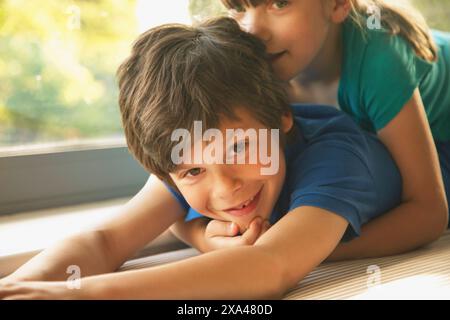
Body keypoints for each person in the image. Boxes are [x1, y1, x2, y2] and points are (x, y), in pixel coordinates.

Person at [1, 17, 408, 299]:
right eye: (193, 171)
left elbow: (269, 268)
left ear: (282, 117)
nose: (226, 185)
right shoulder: (189, 148)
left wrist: (81, 293)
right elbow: (105, 241)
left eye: (241, 149)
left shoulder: (335, 158)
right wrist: (22, 285)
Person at [171, 0, 450, 259]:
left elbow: (428, 213)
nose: (252, 29)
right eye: (237, 7)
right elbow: (167, 188)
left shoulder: (380, 61)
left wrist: (309, 249)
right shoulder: (252, 57)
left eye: (279, 3)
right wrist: (203, 239)